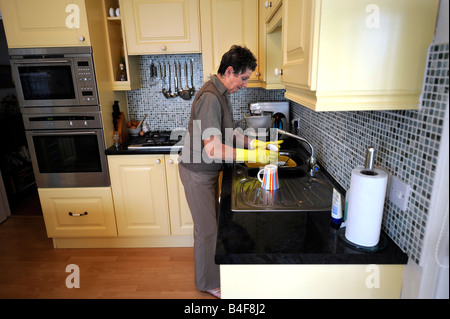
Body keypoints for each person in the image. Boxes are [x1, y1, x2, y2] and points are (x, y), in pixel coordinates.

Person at [178, 45, 280, 298]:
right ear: (230, 71)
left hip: (208, 172)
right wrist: (252, 156)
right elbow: (213, 148)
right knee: (207, 229)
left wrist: (255, 143)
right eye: (244, 78)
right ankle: (207, 283)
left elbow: (230, 133)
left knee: (212, 225)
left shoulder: (221, 94)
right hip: (197, 172)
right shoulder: (211, 97)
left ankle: (213, 272)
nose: (245, 84)